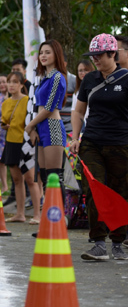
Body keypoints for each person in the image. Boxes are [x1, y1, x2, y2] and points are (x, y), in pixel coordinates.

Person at [70, 34, 128, 260]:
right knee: (94, 189)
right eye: (92, 56)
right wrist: (76, 137)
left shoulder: (125, 78)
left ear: (113, 54)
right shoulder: (90, 79)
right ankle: (98, 243)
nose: (95, 60)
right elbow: (78, 111)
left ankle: (118, 242)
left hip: (121, 143)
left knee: (120, 191)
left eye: (99, 55)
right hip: (92, 141)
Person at [25, 40, 67, 201]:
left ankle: (60, 220)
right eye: (41, 52)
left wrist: (29, 126)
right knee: (44, 177)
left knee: (54, 177)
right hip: (41, 127)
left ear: (56, 55)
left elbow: (49, 108)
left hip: (52, 127)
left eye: (47, 52)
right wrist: (34, 128)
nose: (43, 55)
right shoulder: (44, 78)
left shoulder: (57, 77)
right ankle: (49, 219)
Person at [0, 72, 41, 224]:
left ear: (22, 84)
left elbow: (32, 120)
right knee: (17, 180)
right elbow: (4, 122)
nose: (11, 85)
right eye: (9, 81)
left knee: (31, 180)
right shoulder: (5, 102)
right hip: (11, 142)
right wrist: (4, 125)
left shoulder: (28, 100)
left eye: (15, 82)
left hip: (25, 143)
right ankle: (20, 214)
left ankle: (37, 215)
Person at [71, 60, 94, 131]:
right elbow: (74, 111)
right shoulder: (77, 92)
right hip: (81, 124)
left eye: (86, 70)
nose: (83, 73)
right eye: (80, 71)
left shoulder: (96, 88)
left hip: (93, 124)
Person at [59, 51, 76, 135]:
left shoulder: (74, 80)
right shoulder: (47, 81)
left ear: (64, 64)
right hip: (54, 127)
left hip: (70, 127)